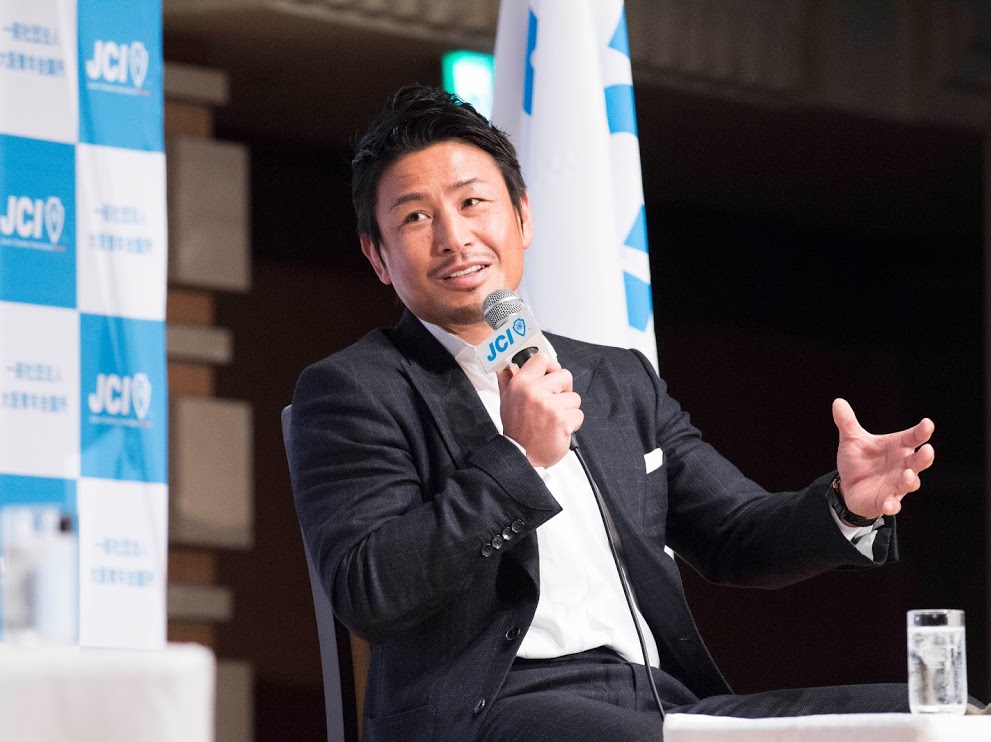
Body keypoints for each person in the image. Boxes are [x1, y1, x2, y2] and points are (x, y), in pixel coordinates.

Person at [289, 85, 938, 742]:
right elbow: (369, 589)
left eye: (472, 203)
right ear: (377, 255)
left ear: (522, 217)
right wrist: (516, 460)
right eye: (415, 218)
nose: (454, 238)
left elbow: (734, 533)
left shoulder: (614, 380)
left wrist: (845, 505)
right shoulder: (354, 390)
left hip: (657, 699)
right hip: (492, 710)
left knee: (929, 719)